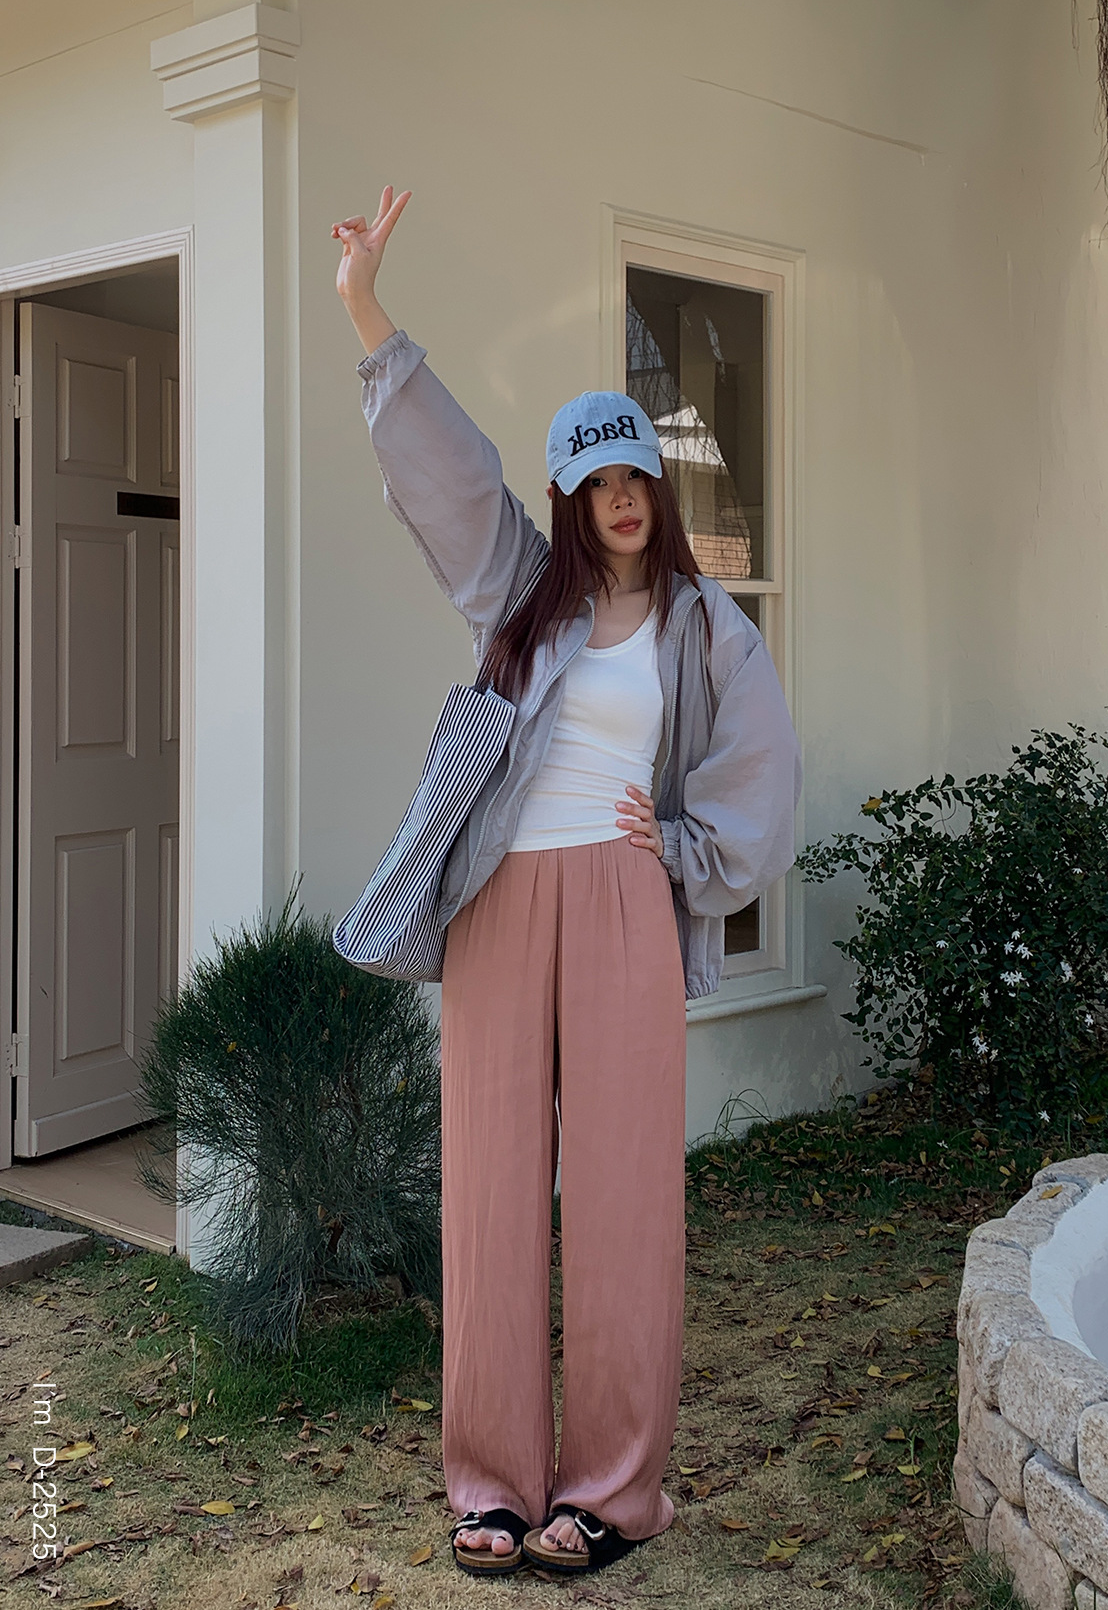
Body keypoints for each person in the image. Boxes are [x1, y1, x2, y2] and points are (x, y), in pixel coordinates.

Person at [333, 186, 802, 1577]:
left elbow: (760, 775)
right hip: (497, 903)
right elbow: (449, 476)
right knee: (487, 1188)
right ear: (569, 497)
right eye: (594, 481)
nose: (618, 499)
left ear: (656, 488)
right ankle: (489, 1482)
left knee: (620, 1197)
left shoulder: (705, 628)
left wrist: (685, 856)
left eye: (633, 477)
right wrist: (367, 309)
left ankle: (611, 1492)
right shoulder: (520, 592)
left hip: (619, 903)